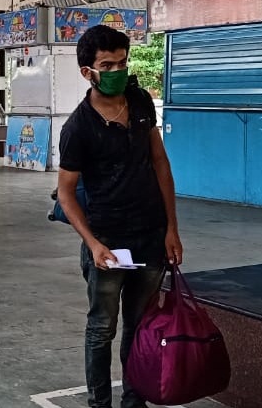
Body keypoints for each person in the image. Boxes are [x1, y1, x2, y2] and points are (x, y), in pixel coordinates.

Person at [57, 24, 183, 408]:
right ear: (87, 72)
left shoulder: (141, 100)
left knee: (140, 326)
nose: (118, 71)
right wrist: (93, 244)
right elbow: (65, 193)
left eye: (122, 63)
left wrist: (171, 228)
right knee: (101, 329)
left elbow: (160, 163)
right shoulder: (77, 128)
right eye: (107, 65)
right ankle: (100, 404)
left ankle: (135, 400)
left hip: (150, 235)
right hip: (107, 244)